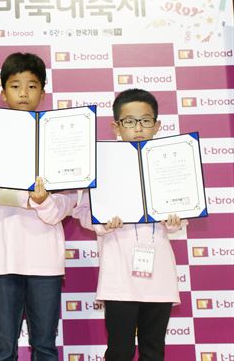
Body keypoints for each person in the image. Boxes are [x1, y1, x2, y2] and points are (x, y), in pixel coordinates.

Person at [0, 52, 79, 361]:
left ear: (43, 90)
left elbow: (72, 199)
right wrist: (22, 198)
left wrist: (46, 202)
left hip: (46, 258)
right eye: (15, 86)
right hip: (3, 256)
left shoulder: (60, 138)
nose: (24, 93)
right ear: (3, 92)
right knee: (3, 351)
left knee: (45, 348)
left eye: (32, 85)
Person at [73, 88, 185, 361]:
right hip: (119, 273)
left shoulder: (170, 163)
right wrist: (103, 224)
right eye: (129, 121)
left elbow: (183, 215)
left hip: (158, 273)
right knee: (120, 350)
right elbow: (83, 212)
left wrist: (174, 219)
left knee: (153, 350)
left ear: (157, 126)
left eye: (145, 121)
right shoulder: (101, 165)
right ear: (116, 126)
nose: (138, 128)